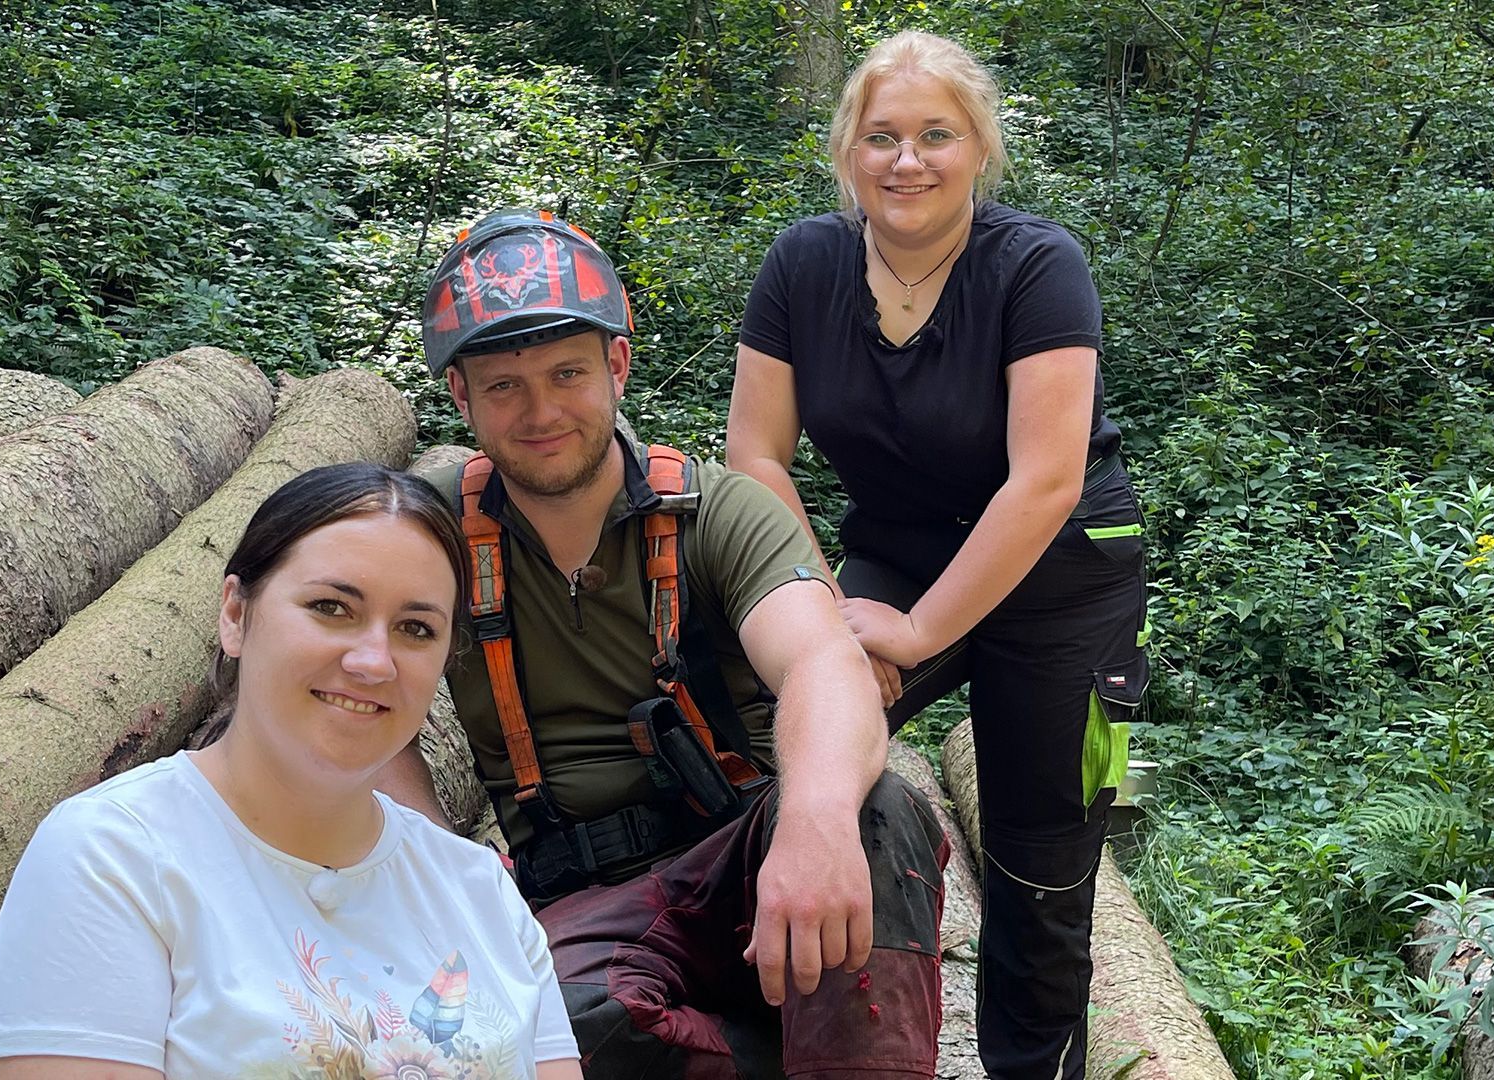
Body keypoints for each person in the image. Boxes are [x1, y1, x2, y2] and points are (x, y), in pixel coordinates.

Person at [378, 208, 949, 1079]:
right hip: (576, 899)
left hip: (743, 858)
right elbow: (358, 704)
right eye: (503, 385)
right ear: (460, 397)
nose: (541, 412)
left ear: (617, 365)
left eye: (568, 373)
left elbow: (823, 661)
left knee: (878, 812)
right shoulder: (430, 535)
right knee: (561, 1026)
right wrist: (444, 883)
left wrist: (816, 820)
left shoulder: (717, 511)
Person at [726, 30, 1149, 1080]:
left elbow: (1043, 480)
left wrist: (914, 635)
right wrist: (829, 623)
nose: (906, 160)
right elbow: (755, 456)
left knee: (1040, 866)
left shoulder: (1036, 266)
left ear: (979, 150)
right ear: (846, 152)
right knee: (765, 748)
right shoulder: (804, 264)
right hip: (897, 553)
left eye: (934, 135)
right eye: (881, 137)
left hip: (1061, 577)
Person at [0, 463, 583, 1080]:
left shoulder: (480, 892)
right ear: (236, 614)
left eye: (415, 629)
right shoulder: (114, 858)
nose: (373, 661)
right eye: (331, 607)